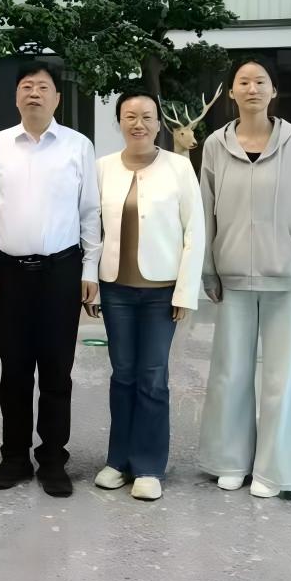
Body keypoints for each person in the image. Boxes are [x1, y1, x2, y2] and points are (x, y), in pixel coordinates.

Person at [197, 57, 291, 498]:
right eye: (243, 82)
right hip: (231, 277)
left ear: (274, 91)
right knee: (229, 374)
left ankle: (275, 469)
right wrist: (207, 269)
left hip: (284, 279)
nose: (252, 89)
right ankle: (229, 460)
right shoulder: (215, 144)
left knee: (282, 379)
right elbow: (206, 210)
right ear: (231, 92)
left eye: (260, 81)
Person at [0, 63, 100, 497]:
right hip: (8, 274)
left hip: (61, 272)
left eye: (43, 87)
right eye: (26, 86)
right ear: (16, 97)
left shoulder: (78, 146)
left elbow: (90, 212)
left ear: (57, 98)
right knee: (14, 371)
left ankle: (52, 459)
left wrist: (90, 269)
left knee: (56, 371)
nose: (34, 93)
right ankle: (13, 456)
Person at [87, 88, 205, 502]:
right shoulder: (102, 168)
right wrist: (90, 282)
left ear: (158, 124)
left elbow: (195, 231)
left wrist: (185, 292)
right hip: (115, 289)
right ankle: (118, 460)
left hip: (161, 292)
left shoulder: (178, 167)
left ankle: (150, 466)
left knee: (153, 376)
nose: (138, 124)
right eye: (130, 116)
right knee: (122, 375)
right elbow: (91, 229)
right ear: (119, 121)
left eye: (147, 117)